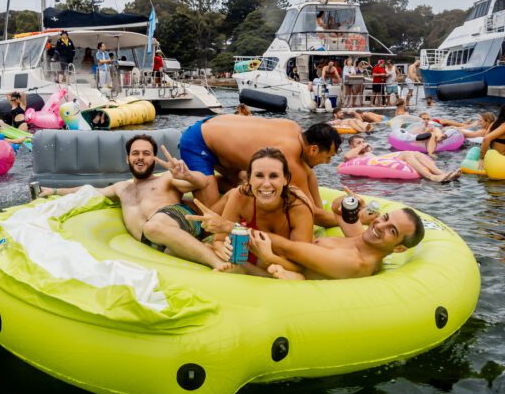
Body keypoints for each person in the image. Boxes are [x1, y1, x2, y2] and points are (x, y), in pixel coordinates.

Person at [38, 135, 230, 270]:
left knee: (153, 227)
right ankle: (244, 270)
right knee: (171, 249)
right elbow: (89, 191)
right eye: (135, 153)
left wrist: (187, 175)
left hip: (173, 218)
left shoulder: (165, 179)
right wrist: (54, 191)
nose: (140, 157)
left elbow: (202, 182)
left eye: (146, 153)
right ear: (127, 158)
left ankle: (214, 262)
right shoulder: (121, 188)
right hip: (156, 241)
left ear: (154, 159)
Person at [179, 116, 342, 226]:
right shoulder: (289, 158)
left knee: (246, 190)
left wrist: (320, 207)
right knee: (211, 218)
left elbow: (309, 174)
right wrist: (349, 220)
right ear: (313, 150)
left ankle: (210, 185)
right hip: (198, 142)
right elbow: (312, 213)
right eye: (328, 157)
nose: (327, 162)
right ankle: (176, 202)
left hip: (213, 127)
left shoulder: (294, 128)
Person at [185, 148, 315, 275]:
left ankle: (246, 270)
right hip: (248, 258)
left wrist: (269, 258)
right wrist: (222, 249)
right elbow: (219, 240)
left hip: (279, 264)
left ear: (285, 179)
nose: (266, 184)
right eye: (259, 176)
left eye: (274, 176)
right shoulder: (240, 196)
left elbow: (302, 266)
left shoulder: (298, 207)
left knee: (294, 276)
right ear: (250, 178)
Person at [245, 204, 425, 280]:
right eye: (385, 218)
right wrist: (351, 204)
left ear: (399, 248)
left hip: (271, 272)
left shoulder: (355, 262)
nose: (379, 225)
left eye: (391, 230)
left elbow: (288, 249)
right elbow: (339, 211)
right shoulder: (363, 241)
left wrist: (227, 226)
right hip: (273, 258)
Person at [342, 134, 461, 183]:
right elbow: (346, 157)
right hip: (382, 161)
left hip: (383, 159)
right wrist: (361, 147)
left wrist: (365, 148)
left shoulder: (365, 151)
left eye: (363, 141)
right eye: (358, 142)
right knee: (407, 154)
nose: (362, 144)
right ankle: (431, 177)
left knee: (416, 153)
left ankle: (441, 173)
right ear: (352, 145)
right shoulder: (353, 154)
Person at [479, 103, 505, 169]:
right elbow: (486, 139)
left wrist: (482, 156)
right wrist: (482, 158)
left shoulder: (494, 124)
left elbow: (484, 139)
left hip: (495, 156)